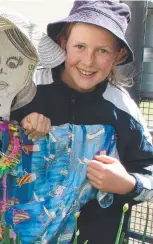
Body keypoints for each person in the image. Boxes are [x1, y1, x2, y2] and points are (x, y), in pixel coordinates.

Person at [10, 1, 153, 243]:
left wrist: (128, 184)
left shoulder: (122, 108)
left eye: (102, 51)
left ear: (118, 55)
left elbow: (149, 171)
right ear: (64, 43)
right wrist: (16, 128)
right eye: (80, 46)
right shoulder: (27, 89)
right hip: (20, 234)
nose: (88, 61)